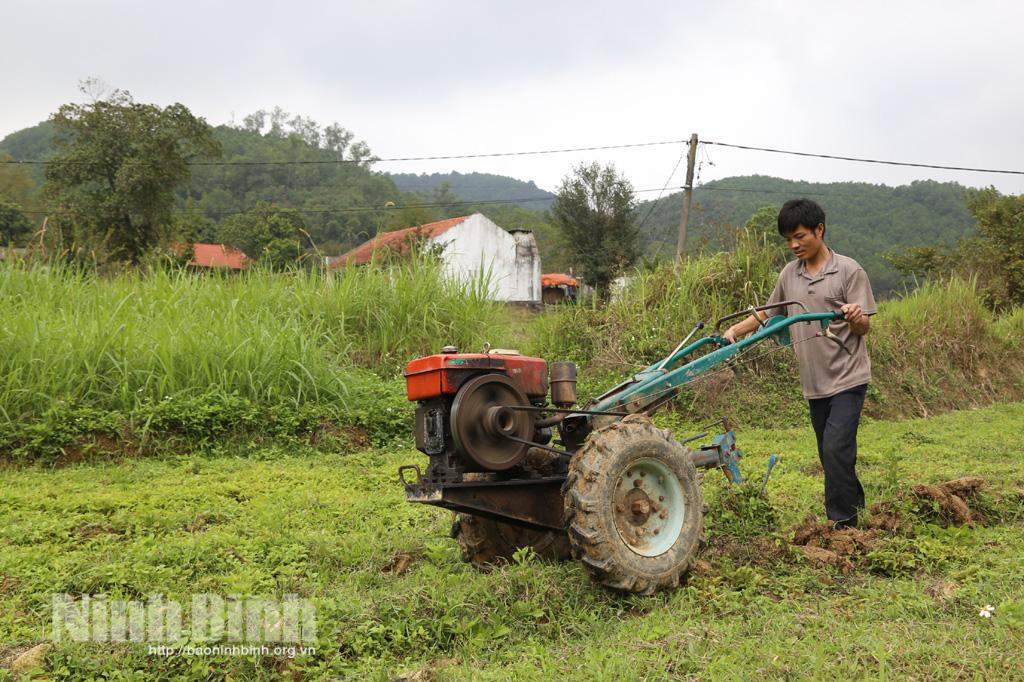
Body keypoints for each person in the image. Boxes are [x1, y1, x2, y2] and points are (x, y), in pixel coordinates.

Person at [723, 199, 876, 529]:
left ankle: (843, 524)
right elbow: (768, 313)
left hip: (848, 377)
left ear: (819, 230)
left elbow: (865, 328)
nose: (794, 245)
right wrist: (735, 329)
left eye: (800, 236)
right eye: (788, 239)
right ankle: (856, 507)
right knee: (829, 453)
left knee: (836, 449)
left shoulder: (849, 270)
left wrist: (856, 317)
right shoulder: (789, 275)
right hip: (814, 382)